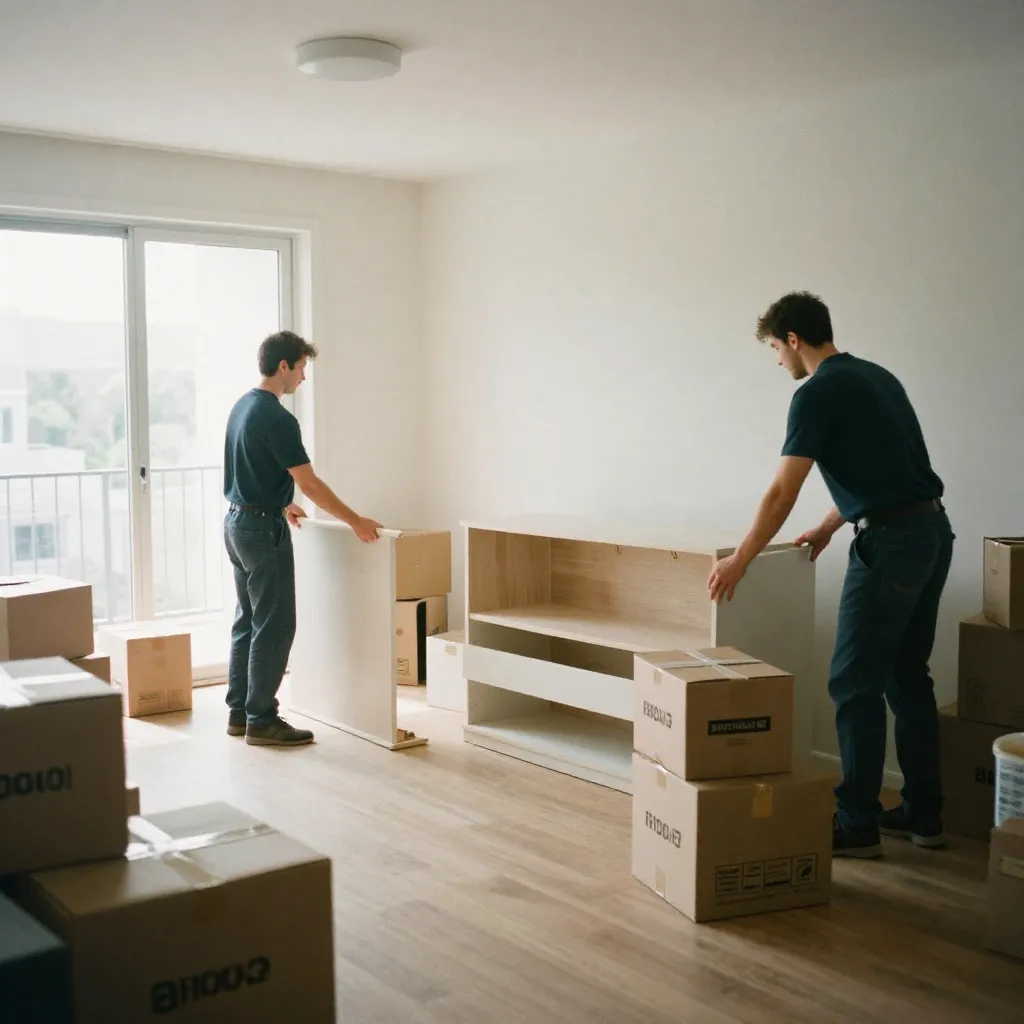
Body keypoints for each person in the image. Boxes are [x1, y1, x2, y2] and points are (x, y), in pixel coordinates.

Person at [706, 292, 953, 858]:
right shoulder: (877, 378)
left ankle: (857, 822)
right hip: (932, 534)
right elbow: (890, 472)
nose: (776, 362)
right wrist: (828, 526)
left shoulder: (815, 392)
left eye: (774, 348)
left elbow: (780, 490)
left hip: (891, 546)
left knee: (853, 683)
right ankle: (924, 814)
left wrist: (740, 558)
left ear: (793, 339)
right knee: (908, 677)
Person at [222, 330, 382, 747]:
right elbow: (309, 484)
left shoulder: (242, 407)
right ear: (283, 367)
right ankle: (262, 719)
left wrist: (279, 503)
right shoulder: (277, 417)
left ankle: (240, 713)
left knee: (248, 620)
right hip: (260, 532)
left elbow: (253, 470)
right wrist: (355, 520)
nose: (303, 379)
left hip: (237, 523)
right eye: (302, 369)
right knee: (275, 626)